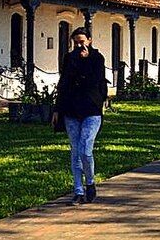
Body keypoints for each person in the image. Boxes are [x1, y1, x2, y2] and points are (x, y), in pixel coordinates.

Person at [52, 27, 108, 205]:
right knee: (75, 152)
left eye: (82, 41)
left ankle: (90, 183)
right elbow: (64, 83)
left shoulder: (97, 59)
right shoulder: (69, 58)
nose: (79, 45)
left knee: (85, 150)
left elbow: (95, 81)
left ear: (89, 40)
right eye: (75, 42)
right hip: (71, 110)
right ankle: (77, 190)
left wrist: (85, 62)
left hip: (91, 110)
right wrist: (57, 109)